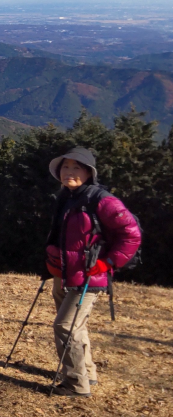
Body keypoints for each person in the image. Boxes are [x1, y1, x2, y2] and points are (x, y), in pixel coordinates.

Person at [45, 147, 140, 397]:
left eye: (76, 167)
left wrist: (108, 263)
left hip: (89, 275)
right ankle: (87, 371)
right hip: (65, 272)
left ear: (89, 172)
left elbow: (132, 235)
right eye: (65, 167)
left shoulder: (102, 200)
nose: (69, 172)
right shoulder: (67, 197)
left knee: (65, 326)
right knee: (76, 325)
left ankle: (76, 384)